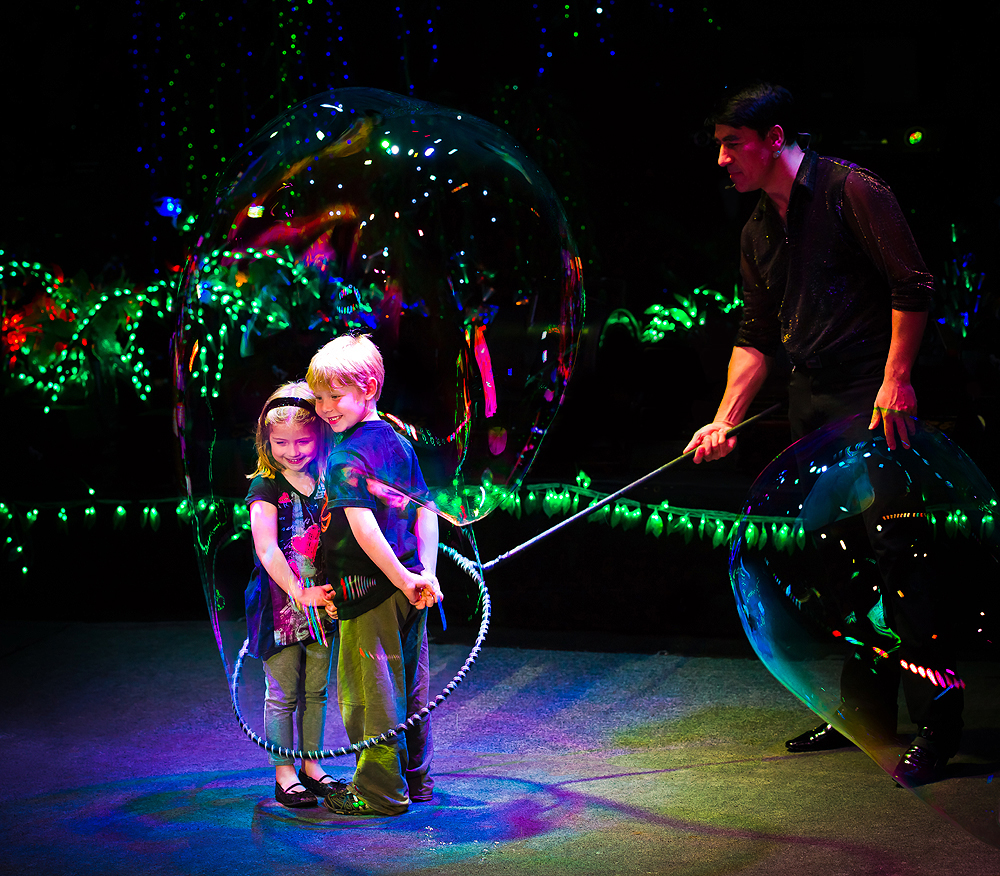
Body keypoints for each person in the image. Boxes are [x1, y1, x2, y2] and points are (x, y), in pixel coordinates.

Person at [685, 83, 961, 783]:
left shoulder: (851, 191)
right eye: (719, 146)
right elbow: (755, 336)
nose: (722, 160)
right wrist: (723, 419)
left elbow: (913, 286)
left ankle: (938, 723)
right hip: (813, 405)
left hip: (875, 398)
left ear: (775, 137)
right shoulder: (757, 229)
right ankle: (866, 715)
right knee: (843, 564)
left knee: (899, 561)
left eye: (733, 144)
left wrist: (897, 380)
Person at [306, 333, 443, 816]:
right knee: (411, 689)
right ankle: (415, 780)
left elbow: (363, 530)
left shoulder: (346, 458)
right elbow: (428, 510)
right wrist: (424, 574)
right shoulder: (398, 443)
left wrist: (407, 578)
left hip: (368, 595)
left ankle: (380, 791)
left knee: (372, 694)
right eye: (318, 398)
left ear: (368, 388)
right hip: (410, 589)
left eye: (334, 396)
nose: (324, 408)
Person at [245, 381, 342, 807]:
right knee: (283, 693)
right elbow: (267, 548)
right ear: (266, 441)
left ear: (319, 434)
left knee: (316, 691)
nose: (292, 451)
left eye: (302, 440)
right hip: (280, 606)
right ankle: (285, 774)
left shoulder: (328, 479)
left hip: (323, 603)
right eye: (281, 442)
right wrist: (298, 591)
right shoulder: (265, 487)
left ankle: (312, 765)